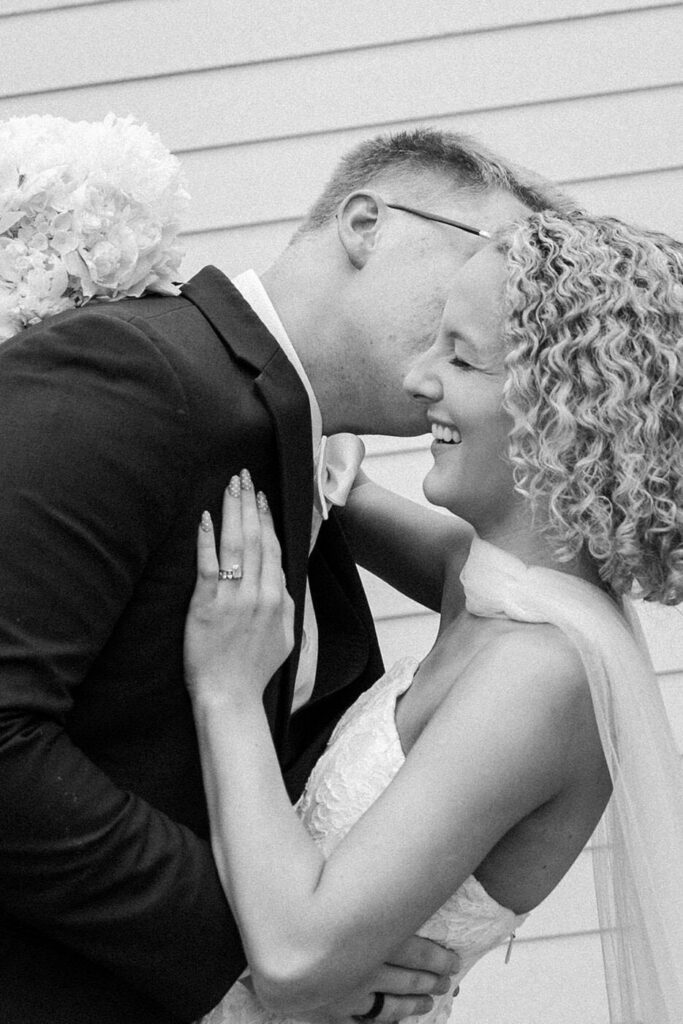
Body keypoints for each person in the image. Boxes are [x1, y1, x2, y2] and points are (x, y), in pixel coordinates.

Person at [0, 116, 571, 1024]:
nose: (492, 309)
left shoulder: (292, 447)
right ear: (365, 223)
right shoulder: (133, 371)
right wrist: (247, 972)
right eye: (486, 257)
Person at [183, 210, 683, 1024]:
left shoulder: (538, 676)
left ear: (561, 409)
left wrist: (228, 693)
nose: (419, 382)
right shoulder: (490, 582)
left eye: (458, 356)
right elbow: (336, 493)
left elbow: (296, 959)